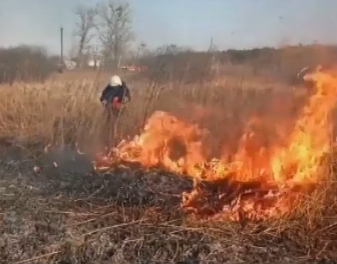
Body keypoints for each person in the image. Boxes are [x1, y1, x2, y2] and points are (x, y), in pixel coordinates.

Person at [100, 75, 131, 148]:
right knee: (109, 124)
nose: (114, 88)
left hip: (120, 109)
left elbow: (128, 97)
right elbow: (103, 97)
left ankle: (119, 138)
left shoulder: (123, 88)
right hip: (110, 108)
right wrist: (104, 100)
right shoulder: (108, 88)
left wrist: (124, 100)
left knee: (119, 124)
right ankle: (108, 140)